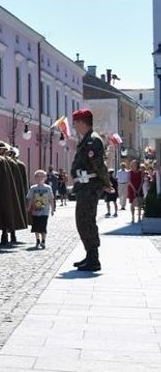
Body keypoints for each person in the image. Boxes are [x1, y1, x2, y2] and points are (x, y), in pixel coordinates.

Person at [70, 109, 110, 272]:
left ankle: (94, 259)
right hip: (84, 187)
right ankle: (90, 255)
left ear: (81, 122)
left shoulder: (92, 140)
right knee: (83, 221)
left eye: (75, 123)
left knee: (86, 221)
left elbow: (98, 164)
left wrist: (106, 182)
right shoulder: (87, 140)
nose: (74, 127)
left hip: (89, 187)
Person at [26, 170, 55, 249]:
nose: (39, 178)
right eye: (38, 176)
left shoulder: (48, 188)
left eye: (42, 176)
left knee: (43, 226)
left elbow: (51, 199)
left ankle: (43, 241)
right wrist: (28, 207)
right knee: (35, 226)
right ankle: (37, 240)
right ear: (35, 178)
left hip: (45, 211)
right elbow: (30, 199)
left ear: (45, 178)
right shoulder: (33, 188)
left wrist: (52, 209)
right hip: (35, 211)